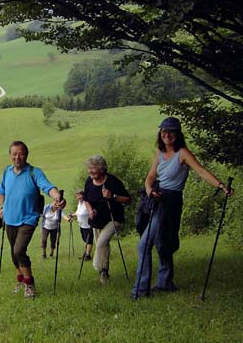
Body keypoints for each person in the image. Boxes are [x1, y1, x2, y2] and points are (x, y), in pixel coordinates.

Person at [131, 117, 234, 298]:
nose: (167, 135)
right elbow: (150, 177)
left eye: (171, 132)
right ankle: (164, 283)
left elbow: (201, 171)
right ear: (160, 133)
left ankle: (140, 291)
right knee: (158, 241)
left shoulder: (183, 153)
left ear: (177, 134)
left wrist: (221, 185)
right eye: (164, 131)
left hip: (170, 202)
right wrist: (149, 191)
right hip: (156, 198)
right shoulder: (160, 152)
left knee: (147, 244)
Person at [0, 141, 65, 298]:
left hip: (28, 218)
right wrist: (3, 208)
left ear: (26, 155)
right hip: (9, 219)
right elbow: (1, 190)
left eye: (20, 153)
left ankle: (29, 284)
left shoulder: (35, 172)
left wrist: (57, 197)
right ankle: (20, 280)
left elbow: (48, 187)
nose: (17, 157)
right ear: (10, 155)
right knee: (14, 254)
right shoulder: (6, 172)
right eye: (14, 154)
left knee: (19, 250)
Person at [83, 155, 131, 284]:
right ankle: (103, 272)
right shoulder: (88, 181)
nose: (90, 171)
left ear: (102, 168)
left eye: (93, 168)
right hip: (97, 220)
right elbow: (86, 200)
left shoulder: (112, 181)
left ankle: (102, 270)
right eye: (89, 168)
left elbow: (127, 199)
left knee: (100, 243)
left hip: (113, 218)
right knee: (102, 245)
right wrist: (89, 210)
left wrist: (113, 196)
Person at [68, 190, 93, 261]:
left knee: (89, 240)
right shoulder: (80, 203)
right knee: (85, 239)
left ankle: (88, 255)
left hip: (88, 225)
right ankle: (86, 253)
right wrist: (72, 215)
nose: (78, 197)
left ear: (83, 195)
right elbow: (78, 212)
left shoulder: (86, 203)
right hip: (82, 225)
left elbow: (90, 211)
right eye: (77, 196)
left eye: (79, 195)